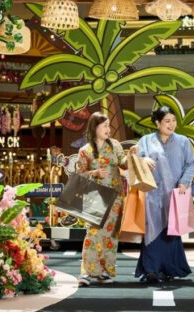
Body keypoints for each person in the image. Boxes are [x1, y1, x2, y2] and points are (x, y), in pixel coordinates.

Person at [133, 106, 194, 283]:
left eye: (173, 120)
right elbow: (135, 159)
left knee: (171, 231)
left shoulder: (183, 141)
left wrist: (184, 182)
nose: (171, 124)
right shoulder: (146, 140)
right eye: (167, 121)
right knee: (151, 231)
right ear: (158, 123)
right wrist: (143, 159)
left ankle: (169, 269)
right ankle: (151, 270)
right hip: (152, 195)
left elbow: (190, 164)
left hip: (173, 194)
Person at [75, 112, 128, 287]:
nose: (108, 129)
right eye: (104, 125)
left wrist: (132, 156)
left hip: (116, 197)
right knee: (93, 233)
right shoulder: (85, 150)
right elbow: (79, 176)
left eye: (108, 125)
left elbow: (123, 163)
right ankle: (86, 272)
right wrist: (95, 173)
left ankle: (106, 271)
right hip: (95, 197)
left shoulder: (115, 145)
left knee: (111, 235)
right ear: (95, 127)